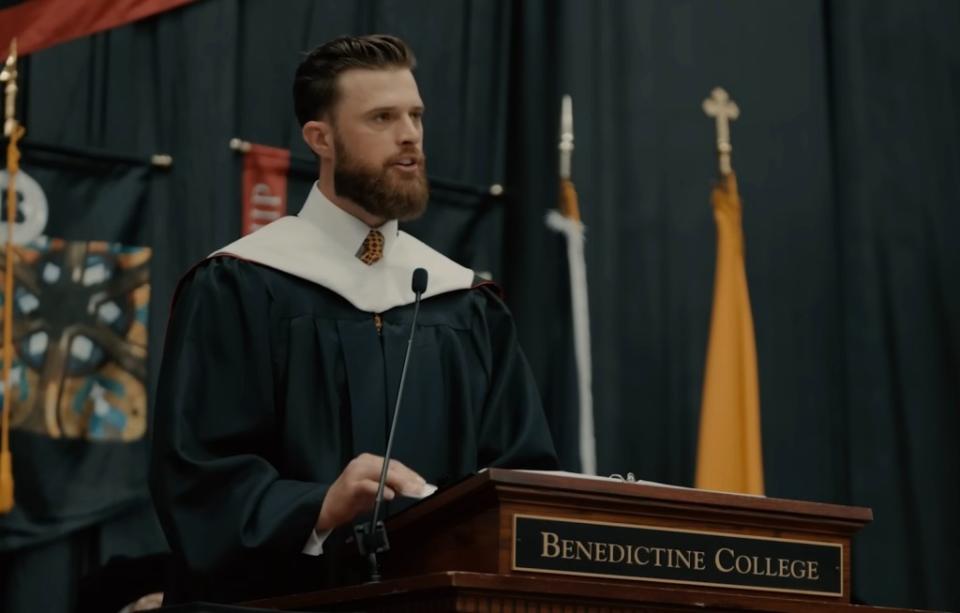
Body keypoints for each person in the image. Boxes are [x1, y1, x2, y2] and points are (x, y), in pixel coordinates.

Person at [149, 34, 558, 604]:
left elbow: (519, 481)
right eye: (382, 117)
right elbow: (199, 477)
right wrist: (318, 508)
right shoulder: (242, 282)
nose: (410, 134)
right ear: (321, 139)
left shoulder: (462, 301)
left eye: (415, 115)